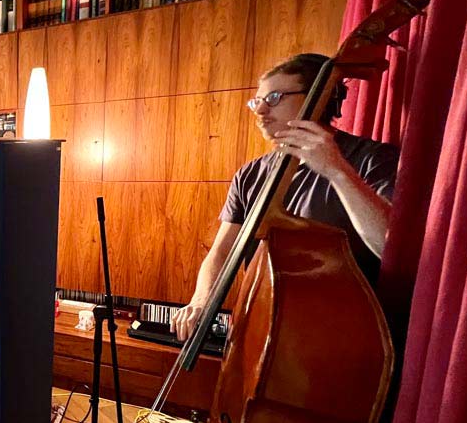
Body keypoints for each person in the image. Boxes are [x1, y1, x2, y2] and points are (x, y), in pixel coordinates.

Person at [171, 53, 400, 342]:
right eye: (257, 101)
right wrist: (201, 300)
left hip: (342, 336)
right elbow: (221, 252)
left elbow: (388, 246)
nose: (260, 111)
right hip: (263, 331)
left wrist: (337, 170)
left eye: (275, 97)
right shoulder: (250, 175)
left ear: (319, 97)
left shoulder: (372, 158)